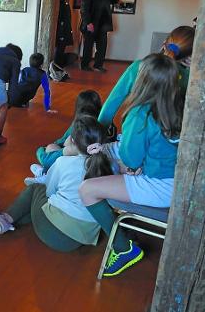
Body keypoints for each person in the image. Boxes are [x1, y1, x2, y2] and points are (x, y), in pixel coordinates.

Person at [79, 53, 184, 277]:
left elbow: (130, 160)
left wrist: (108, 150)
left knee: (87, 190)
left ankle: (122, 247)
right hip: (179, 181)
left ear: (142, 80)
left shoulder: (141, 113)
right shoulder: (178, 106)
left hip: (159, 187)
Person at [0, 115, 112, 253]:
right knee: (38, 204)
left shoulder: (64, 162)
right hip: (80, 239)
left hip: (53, 233)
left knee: (36, 188)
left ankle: (5, 219)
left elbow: (49, 190)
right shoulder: (107, 165)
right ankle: (6, 223)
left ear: (72, 141)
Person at [97, 25, 195, 127]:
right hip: (170, 134)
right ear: (189, 56)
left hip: (135, 128)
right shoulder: (190, 78)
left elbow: (113, 101)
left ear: (165, 43)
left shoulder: (138, 67)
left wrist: (99, 131)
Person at [30, 90, 102, 180]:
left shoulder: (79, 127)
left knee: (50, 149)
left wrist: (41, 149)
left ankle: (45, 174)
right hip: (90, 161)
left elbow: (45, 160)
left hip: (76, 162)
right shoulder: (101, 124)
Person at [80, 0, 121, 72]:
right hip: (91, 24)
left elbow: (115, 0)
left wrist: (119, 1)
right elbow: (84, 9)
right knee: (88, 46)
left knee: (102, 46)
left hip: (103, 26)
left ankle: (98, 65)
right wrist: (88, 23)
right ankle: (85, 65)